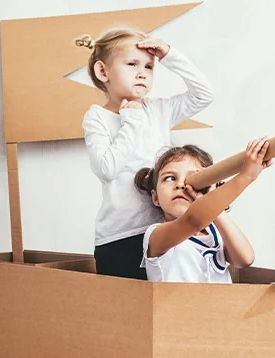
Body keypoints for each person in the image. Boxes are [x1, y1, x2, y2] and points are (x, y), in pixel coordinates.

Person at [74, 27, 215, 279]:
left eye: (149, 67)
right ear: (102, 71)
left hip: (162, 231)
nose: (142, 73)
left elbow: (205, 94)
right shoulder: (97, 117)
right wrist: (132, 121)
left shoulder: (159, 110)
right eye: (132, 64)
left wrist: (169, 55)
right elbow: (106, 169)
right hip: (120, 237)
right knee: (125, 311)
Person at [133, 138, 273, 283]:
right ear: (155, 198)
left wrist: (213, 205)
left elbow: (245, 259)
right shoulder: (155, 236)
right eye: (169, 178)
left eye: (192, 178)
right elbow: (193, 220)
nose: (180, 184)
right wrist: (246, 176)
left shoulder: (216, 235)